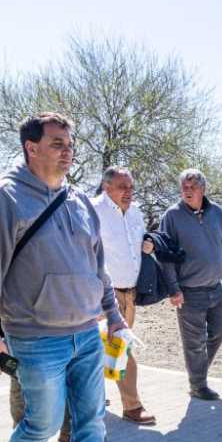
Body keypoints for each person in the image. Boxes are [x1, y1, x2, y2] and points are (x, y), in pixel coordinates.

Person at [0, 111, 130, 442]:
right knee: (42, 422)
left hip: (86, 335)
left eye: (70, 144)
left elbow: (98, 267)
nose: (67, 152)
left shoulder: (77, 201)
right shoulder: (5, 199)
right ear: (31, 147)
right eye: (57, 144)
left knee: (92, 420)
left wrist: (113, 317)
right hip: (36, 337)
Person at [157, 169, 222, 400]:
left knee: (220, 332)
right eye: (184, 187)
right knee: (193, 343)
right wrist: (173, 289)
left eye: (192, 187)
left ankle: (198, 373)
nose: (187, 191)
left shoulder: (217, 214)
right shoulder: (171, 216)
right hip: (188, 293)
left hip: (215, 288)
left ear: (203, 189)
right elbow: (165, 256)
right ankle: (198, 385)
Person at [91, 166, 157, 425]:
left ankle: (92, 398)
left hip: (130, 294)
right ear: (107, 188)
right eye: (122, 187)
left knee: (110, 350)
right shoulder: (94, 210)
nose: (128, 192)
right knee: (122, 348)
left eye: (131, 187)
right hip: (104, 295)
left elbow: (135, 244)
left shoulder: (136, 211)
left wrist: (148, 246)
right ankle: (132, 406)